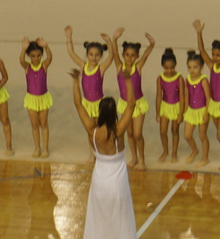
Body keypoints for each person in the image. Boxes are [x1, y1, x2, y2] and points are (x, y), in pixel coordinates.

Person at [72, 65, 140, 239]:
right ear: (114, 114)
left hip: (99, 181)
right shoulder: (118, 131)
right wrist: (127, 80)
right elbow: (131, 105)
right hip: (117, 182)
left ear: (100, 112)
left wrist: (75, 81)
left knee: (101, 217)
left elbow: (78, 104)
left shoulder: (91, 130)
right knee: (119, 218)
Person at [193, 19, 220, 174]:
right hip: (214, 104)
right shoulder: (212, 67)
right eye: (213, 54)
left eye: (218, 55)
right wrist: (199, 33)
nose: (214, 57)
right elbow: (201, 50)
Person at [64, 26, 115, 160]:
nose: (94, 57)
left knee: (98, 128)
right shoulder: (83, 66)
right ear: (87, 55)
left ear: (100, 56)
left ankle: (100, 150)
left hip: (99, 104)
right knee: (89, 130)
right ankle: (92, 152)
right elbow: (71, 52)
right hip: (86, 104)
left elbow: (111, 56)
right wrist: (69, 37)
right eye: (91, 54)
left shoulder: (101, 68)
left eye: (97, 55)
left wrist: (108, 41)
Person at [112, 28, 155, 171]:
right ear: (123, 55)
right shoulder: (119, 67)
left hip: (138, 104)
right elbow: (114, 53)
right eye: (127, 55)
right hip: (125, 105)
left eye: (132, 56)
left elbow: (146, 55)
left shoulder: (138, 67)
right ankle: (134, 157)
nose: (129, 58)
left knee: (137, 134)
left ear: (137, 57)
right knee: (129, 133)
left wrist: (152, 44)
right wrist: (114, 40)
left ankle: (142, 159)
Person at [20, 37, 53, 158]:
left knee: (44, 124)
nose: (36, 58)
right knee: (34, 125)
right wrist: (23, 49)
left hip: (43, 99)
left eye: (39, 55)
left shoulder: (44, 65)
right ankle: (37, 147)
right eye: (33, 56)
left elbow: (50, 57)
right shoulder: (27, 67)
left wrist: (46, 46)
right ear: (29, 56)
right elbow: (21, 60)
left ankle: (45, 148)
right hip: (31, 100)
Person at [155, 48, 184, 163]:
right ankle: (165, 151)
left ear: (175, 65)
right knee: (163, 131)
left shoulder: (179, 78)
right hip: (165, 107)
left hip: (176, 106)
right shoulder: (160, 78)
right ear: (162, 66)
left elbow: (182, 96)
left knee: (175, 130)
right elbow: (159, 96)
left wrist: (181, 113)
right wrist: (158, 112)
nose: (169, 70)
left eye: (172, 68)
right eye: (166, 68)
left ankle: (174, 153)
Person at [183, 50, 211, 166]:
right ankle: (195, 150)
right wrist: (185, 109)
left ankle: (205, 157)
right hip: (191, 111)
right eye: (189, 67)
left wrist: (206, 113)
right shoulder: (187, 79)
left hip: (202, 110)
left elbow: (208, 98)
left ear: (201, 67)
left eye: (195, 67)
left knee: (202, 135)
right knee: (187, 135)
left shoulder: (203, 80)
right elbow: (186, 94)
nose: (192, 70)